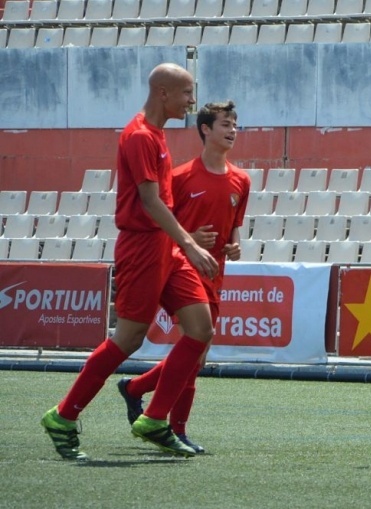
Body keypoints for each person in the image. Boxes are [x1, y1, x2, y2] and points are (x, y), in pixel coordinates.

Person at [41, 63, 219, 460]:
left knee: (200, 329)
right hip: (142, 247)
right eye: (187, 93)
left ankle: (155, 419)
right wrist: (189, 244)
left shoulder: (155, 134)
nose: (192, 101)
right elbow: (149, 201)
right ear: (163, 93)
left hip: (165, 248)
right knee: (128, 339)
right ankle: (63, 416)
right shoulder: (139, 135)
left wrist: (182, 245)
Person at [116, 100, 250, 454]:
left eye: (235, 124)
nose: (233, 130)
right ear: (206, 129)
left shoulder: (242, 179)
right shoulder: (180, 176)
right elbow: (163, 222)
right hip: (181, 267)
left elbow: (234, 225)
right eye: (225, 124)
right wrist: (191, 238)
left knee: (197, 356)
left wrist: (234, 246)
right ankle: (174, 427)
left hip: (214, 272)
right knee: (195, 351)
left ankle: (135, 389)